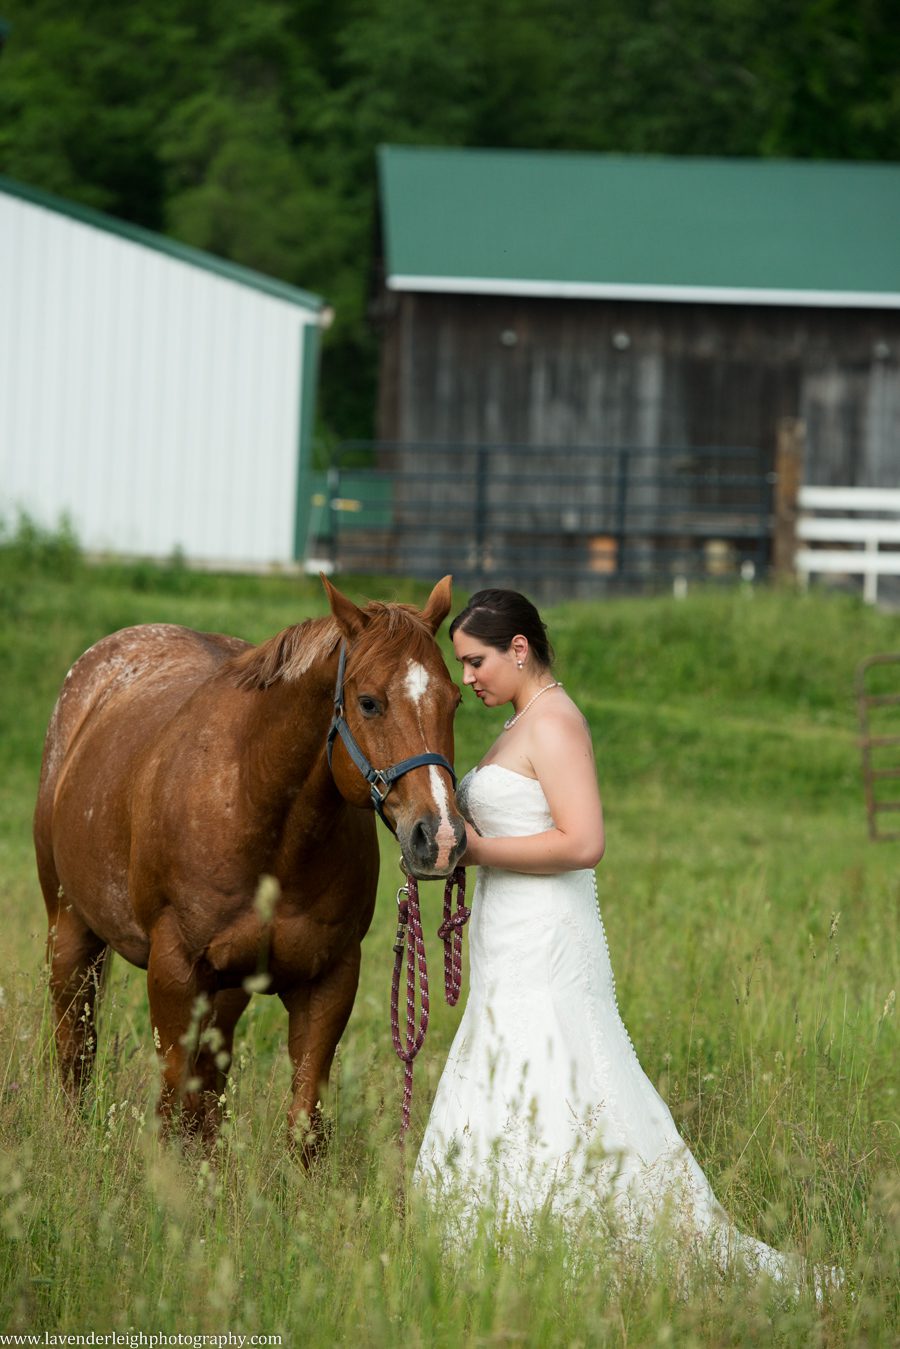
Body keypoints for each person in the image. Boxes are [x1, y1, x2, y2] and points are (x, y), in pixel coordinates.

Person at [414, 588, 826, 1291]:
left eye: (477, 661)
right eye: (462, 664)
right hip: (505, 935)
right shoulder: (519, 721)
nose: (469, 677)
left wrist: (481, 854)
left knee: (554, 1064)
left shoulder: (555, 722)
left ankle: (569, 1234)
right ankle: (498, 1234)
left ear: (520, 649)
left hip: (546, 935)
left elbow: (585, 840)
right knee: (509, 1064)